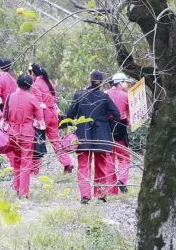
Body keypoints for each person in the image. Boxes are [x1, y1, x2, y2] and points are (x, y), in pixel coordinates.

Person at [65, 70, 121, 204]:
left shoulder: (79, 95)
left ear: (90, 80)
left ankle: (85, 196)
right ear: (101, 82)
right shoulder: (104, 97)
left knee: (83, 165)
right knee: (101, 165)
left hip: (83, 135)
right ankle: (101, 195)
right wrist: (107, 122)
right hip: (101, 136)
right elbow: (117, 114)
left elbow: (70, 115)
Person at [4, 74, 45, 199]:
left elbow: (4, 116)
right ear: (30, 85)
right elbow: (40, 120)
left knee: (16, 160)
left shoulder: (10, 97)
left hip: (12, 132)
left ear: (18, 84)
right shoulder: (32, 99)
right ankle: (23, 192)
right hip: (27, 133)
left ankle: (17, 187)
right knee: (26, 162)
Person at [31, 63, 73, 174]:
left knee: (37, 143)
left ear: (33, 73)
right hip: (53, 115)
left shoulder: (36, 85)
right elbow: (54, 101)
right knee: (55, 142)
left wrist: (39, 120)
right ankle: (67, 163)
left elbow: (38, 104)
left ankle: (34, 170)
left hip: (43, 116)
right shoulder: (49, 83)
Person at [106, 72, 132, 195]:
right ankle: (121, 181)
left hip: (106, 130)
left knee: (110, 158)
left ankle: (112, 190)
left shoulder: (105, 94)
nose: (127, 84)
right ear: (120, 83)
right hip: (120, 129)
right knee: (124, 158)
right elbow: (130, 116)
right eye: (125, 82)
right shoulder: (126, 96)